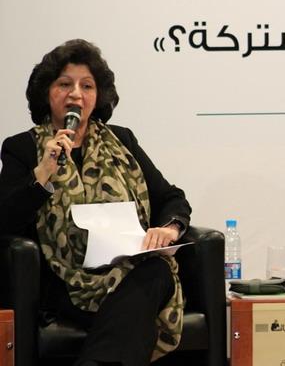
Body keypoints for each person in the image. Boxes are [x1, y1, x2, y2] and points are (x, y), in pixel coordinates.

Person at [0, 39, 192, 366]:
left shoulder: (122, 141)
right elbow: (6, 220)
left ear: (97, 95)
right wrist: (42, 173)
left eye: (86, 86)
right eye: (65, 84)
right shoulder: (22, 148)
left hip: (129, 271)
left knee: (157, 270)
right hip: (66, 283)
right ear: (47, 93)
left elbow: (171, 197)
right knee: (138, 310)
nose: (76, 94)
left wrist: (170, 229)